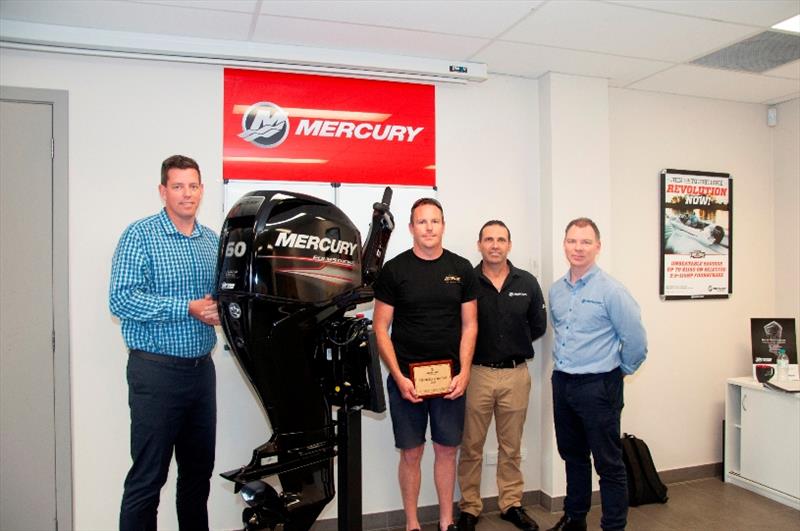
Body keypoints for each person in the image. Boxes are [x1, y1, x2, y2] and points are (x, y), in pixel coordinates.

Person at [110, 154, 220, 531]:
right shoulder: (140, 235)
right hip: (155, 373)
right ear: (163, 191)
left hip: (200, 373)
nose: (186, 194)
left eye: (192, 186)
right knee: (148, 478)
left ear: (201, 190)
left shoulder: (212, 241)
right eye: (177, 186)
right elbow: (121, 299)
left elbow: (218, 298)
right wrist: (186, 308)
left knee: (197, 475)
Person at [373, 198, 478, 531]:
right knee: (411, 454)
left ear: (443, 226)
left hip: (450, 382)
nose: (429, 227)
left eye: (435, 221)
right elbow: (379, 327)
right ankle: (413, 523)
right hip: (407, 381)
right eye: (422, 222)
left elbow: (470, 325)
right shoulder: (394, 270)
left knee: (447, 451)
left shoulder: (461, 269)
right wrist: (398, 376)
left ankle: (446, 522)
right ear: (411, 228)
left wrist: (464, 372)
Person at [547, 218, 647, 531]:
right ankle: (575, 519)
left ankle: (613, 526)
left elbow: (636, 342)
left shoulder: (612, 291)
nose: (578, 248)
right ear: (564, 244)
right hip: (563, 382)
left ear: (598, 247)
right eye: (572, 241)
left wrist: (618, 374)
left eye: (585, 242)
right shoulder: (556, 291)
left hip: (598, 386)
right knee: (572, 456)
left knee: (608, 463)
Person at [457, 221, 547, 531]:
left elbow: (538, 326)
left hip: (515, 375)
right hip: (477, 374)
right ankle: (469, 507)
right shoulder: (466, 281)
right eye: (489, 239)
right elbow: (458, 327)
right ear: (479, 244)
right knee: (471, 446)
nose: (495, 245)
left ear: (509, 245)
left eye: (501, 240)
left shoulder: (528, 282)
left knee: (512, 446)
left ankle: (511, 504)